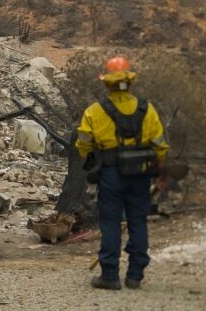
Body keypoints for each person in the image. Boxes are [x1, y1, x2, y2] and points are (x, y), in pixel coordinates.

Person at [75, 56, 169, 291]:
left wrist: (89, 161)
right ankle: (135, 275)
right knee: (138, 221)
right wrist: (160, 173)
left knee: (110, 222)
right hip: (141, 174)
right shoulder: (147, 110)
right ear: (130, 81)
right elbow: (161, 146)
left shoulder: (94, 112)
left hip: (111, 174)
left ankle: (109, 275)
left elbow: (83, 144)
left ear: (106, 83)